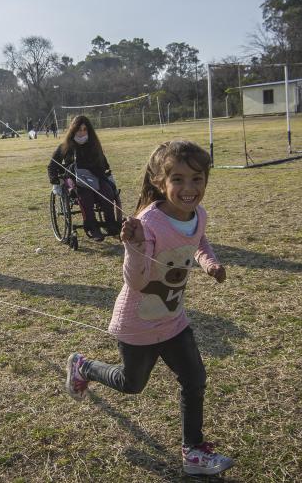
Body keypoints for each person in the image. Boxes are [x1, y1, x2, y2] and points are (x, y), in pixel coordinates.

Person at [64, 140, 232, 477]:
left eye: (197, 179)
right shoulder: (149, 222)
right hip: (137, 323)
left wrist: (209, 263)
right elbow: (137, 281)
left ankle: (193, 451)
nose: (189, 189)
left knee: (195, 378)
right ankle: (83, 366)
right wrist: (135, 244)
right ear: (160, 182)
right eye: (178, 179)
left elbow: (198, 240)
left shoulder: (198, 215)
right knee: (131, 384)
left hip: (173, 319)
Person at [47, 115, 118, 241]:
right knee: (86, 195)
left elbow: (104, 164)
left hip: (95, 176)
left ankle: (110, 223)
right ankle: (92, 226)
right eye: (79, 130)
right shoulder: (65, 146)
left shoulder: (94, 145)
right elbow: (52, 165)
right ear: (73, 130)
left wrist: (108, 177)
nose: (82, 133)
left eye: (85, 129)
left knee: (107, 191)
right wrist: (55, 180)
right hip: (75, 179)